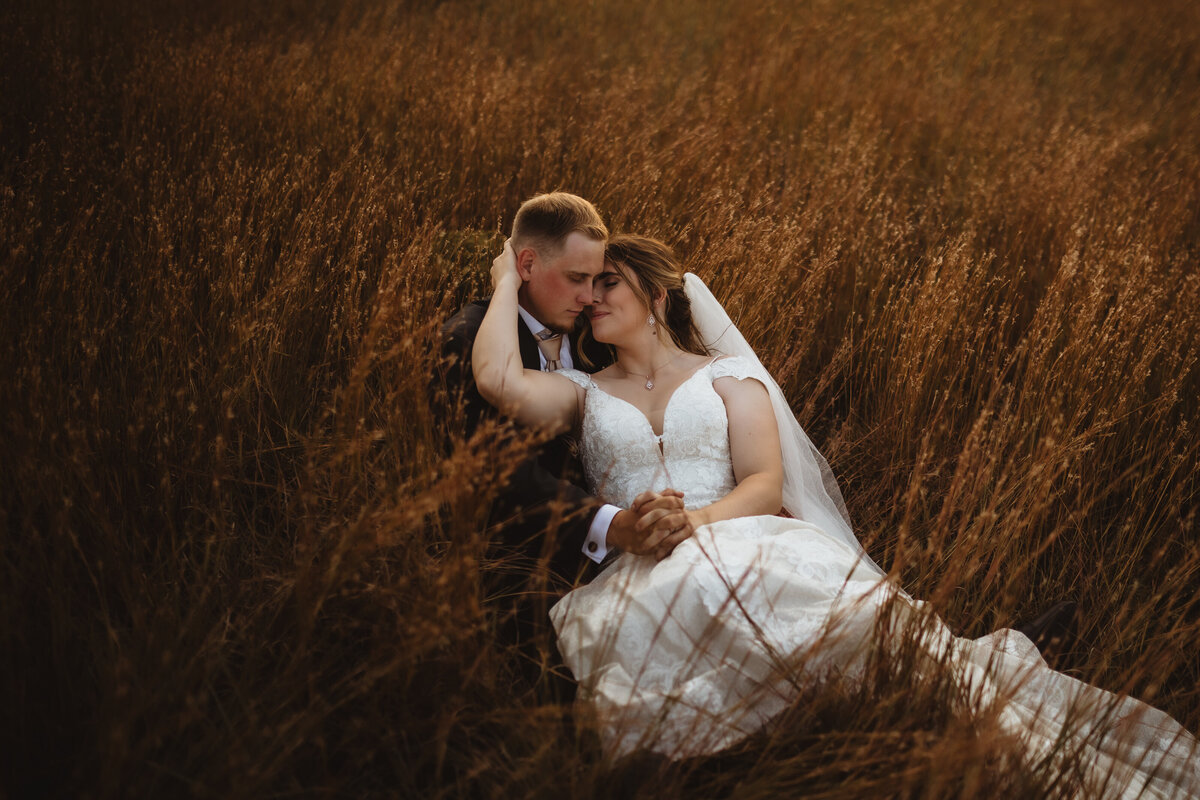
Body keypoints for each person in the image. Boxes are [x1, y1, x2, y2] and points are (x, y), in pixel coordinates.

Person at [471, 234, 1200, 796]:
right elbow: (499, 378)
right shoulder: (579, 390)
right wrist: (507, 280)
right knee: (666, 628)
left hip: (740, 530)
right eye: (587, 284)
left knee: (840, 625)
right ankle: (727, 761)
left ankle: (936, 714)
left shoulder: (728, 377)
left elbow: (762, 481)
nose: (593, 297)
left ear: (658, 294)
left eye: (609, 282)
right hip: (641, 558)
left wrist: (697, 524)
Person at [434, 194, 688, 683]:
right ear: (526, 264)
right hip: (519, 564)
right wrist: (614, 528)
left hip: (634, 539)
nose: (590, 296)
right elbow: (497, 470)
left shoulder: (596, 336)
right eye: (576, 279)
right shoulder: (468, 338)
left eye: (597, 280)